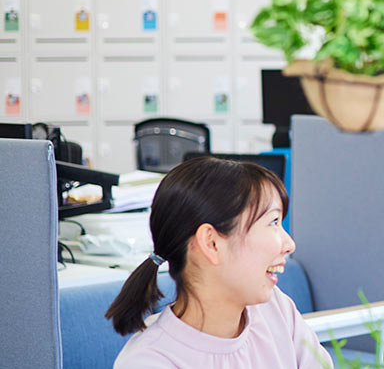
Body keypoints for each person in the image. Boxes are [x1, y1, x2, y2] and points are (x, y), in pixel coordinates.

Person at [105, 156, 330, 368]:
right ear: (211, 243)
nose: (289, 244)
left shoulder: (276, 310)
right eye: (273, 222)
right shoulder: (149, 362)